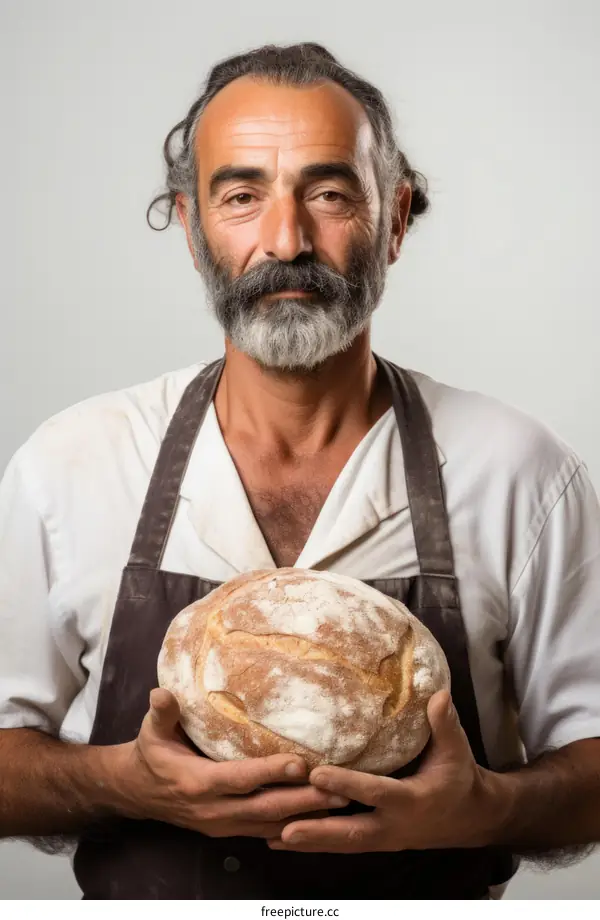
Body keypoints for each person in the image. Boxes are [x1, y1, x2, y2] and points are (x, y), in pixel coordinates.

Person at [1, 41, 599, 901]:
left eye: (329, 194)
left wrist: (486, 809)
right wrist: (119, 784)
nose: (287, 239)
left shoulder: (521, 473)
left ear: (394, 219)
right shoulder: (74, 464)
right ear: (194, 226)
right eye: (241, 196)